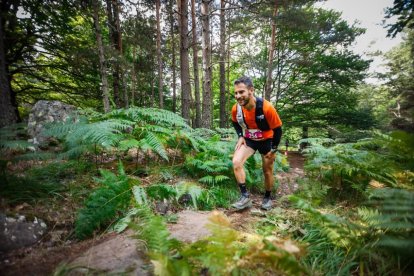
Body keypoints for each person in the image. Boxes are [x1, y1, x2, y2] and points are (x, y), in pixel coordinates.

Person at [231, 76, 282, 210]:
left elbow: (278, 129)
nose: (238, 96)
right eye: (236, 93)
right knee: (236, 162)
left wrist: (274, 149)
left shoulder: (266, 107)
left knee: (267, 171)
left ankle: (267, 198)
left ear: (251, 90)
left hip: (267, 141)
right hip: (250, 140)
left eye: (241, 92)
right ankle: (245, 197)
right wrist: (240, 136)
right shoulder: (236, 109)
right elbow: (235, 122)